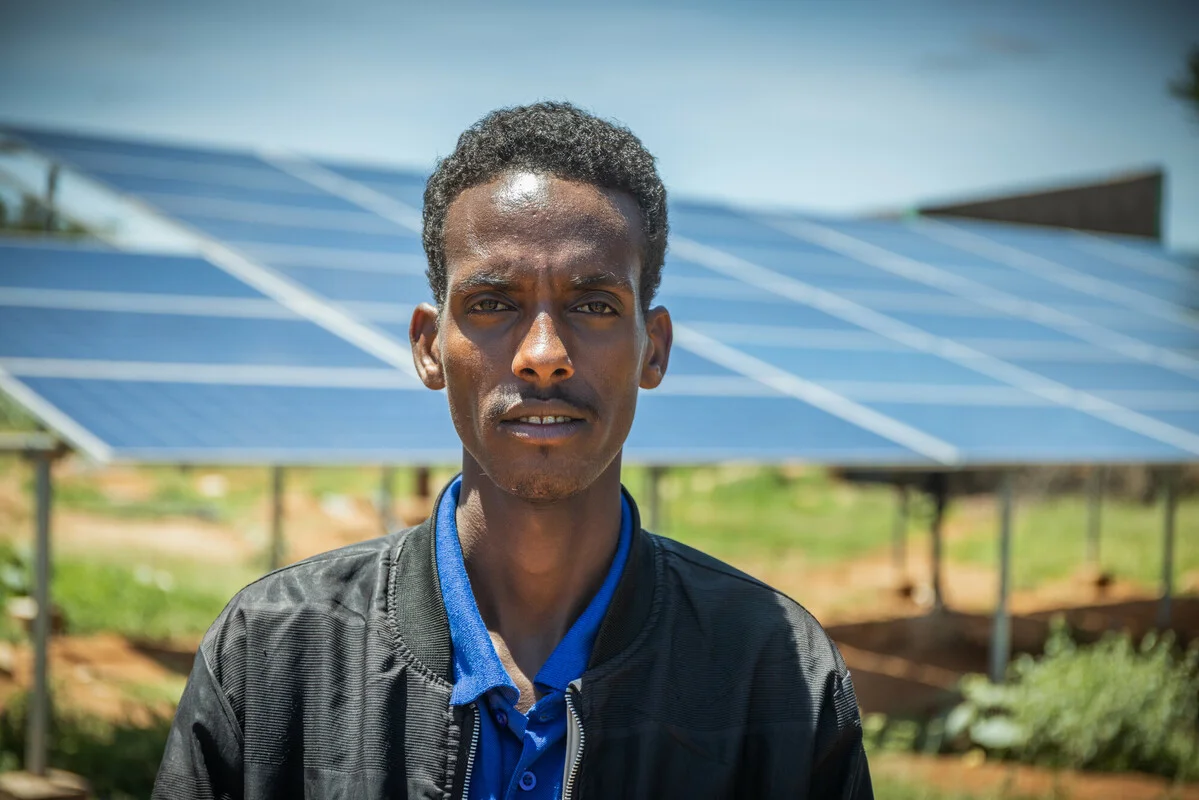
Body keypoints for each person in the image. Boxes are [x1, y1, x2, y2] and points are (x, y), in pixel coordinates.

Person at [152, 102, 872, 800]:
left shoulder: (774, 672)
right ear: (429, 347)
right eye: (492, 304)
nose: (543, 356)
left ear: (652, 349)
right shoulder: (275, 653)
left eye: (592, 305)